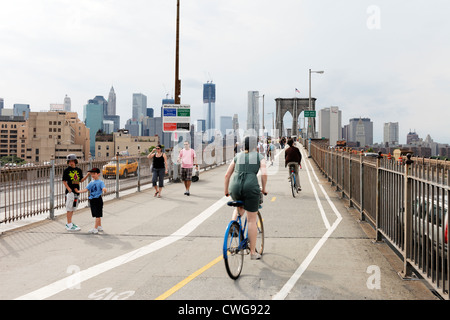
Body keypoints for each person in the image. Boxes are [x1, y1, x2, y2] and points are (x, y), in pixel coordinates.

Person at [224, 136, 268, 260]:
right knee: (251, 220)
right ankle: (253, 253)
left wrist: (226, 190)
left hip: (235, 187)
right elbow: (264, 173)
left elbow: (227, 174)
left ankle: (234, 226)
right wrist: (264, 188)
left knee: (239, 206)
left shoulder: (238, 156)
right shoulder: (259, 157)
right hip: (250, 187)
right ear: (256, 146)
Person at [62, 154, 90, 231]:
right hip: (70, 193)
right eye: (70, 161)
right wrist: (68, 189)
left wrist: (87, 175)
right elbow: (64, 181)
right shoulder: (66, 170)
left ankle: (70, 223)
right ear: (68, 162)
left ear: (75, 161)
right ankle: (68, 224)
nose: (71, 163)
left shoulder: (79, 170)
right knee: (69, 208)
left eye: (72, 161)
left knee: (73, 208)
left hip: (77, 192)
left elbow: (80, 180)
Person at [75, 168, 107, 234]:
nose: (93, 175)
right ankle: (99, 226)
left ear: (98, 174)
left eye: (94, 174)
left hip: (98, 199)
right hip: (92, 199)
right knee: (96, 214)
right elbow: (86, 189)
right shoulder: (91, 182)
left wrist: (104, 189)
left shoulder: (100, 182)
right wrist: (78, 191)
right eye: (92, 174)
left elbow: (103, 187)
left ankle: (95, 228)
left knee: (98, 214)